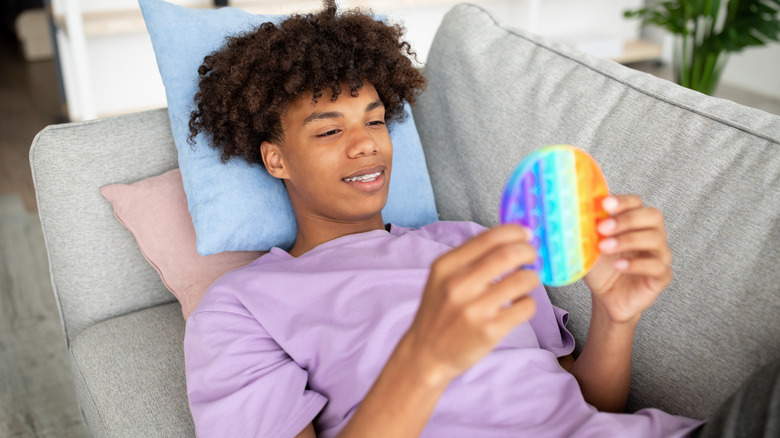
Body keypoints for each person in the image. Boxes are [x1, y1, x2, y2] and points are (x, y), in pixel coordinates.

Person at [185, 2, 778, 437]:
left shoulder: (472, 242)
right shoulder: (242, 304)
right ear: (276, 157)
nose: (366, 145)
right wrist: (425, 359)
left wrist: (617, 316)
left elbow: (589, 409)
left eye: (374, 120)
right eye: (330, 129)